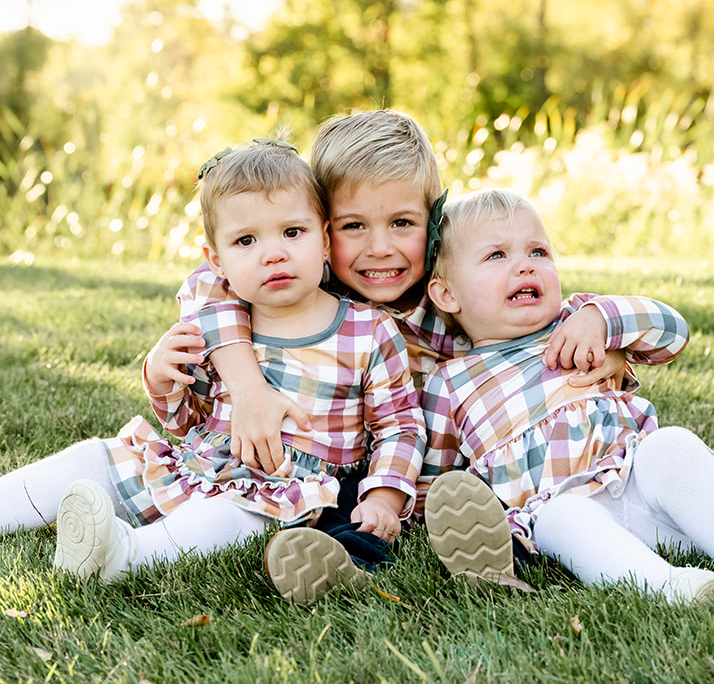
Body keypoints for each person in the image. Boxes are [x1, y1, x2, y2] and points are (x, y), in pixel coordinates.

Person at [0, 141, 425, 598]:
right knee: (94, 457)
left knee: (229, 518)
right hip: (197, 463)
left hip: (284, 490)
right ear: (216, 258)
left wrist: (384, 496)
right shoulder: (223, 321)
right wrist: (162, 383)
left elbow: (400, 425)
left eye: (292, 233)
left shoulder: (364, 330)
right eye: (246, 240)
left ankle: (127, 555)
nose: (272, 253)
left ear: (324, 239)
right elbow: (189, 421)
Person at [169, 110, 613, 597]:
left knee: (468, 500)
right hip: (330, 462)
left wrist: (596, 339)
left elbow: (537, 314)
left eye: (403, 222)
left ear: (435, 222)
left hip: (436, 466)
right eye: (353, 226)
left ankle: (491, 556)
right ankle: (346, 562)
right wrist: (249, 388)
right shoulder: (305, 289)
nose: (380, 248)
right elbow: (209, 287)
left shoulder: (457, 296)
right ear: (320, 229)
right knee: (341, 507)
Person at [418, 189, 714, 603]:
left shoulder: (579, 322)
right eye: (496, 256)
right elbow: (436, 477)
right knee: (559, 517)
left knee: (671, 444)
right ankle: (669, 586)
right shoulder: (449, 381)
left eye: (539, 251)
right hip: (567, 515)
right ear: (447, 294)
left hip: (641, 486)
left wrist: (600, 319)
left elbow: (671, 332)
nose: (525, 266)